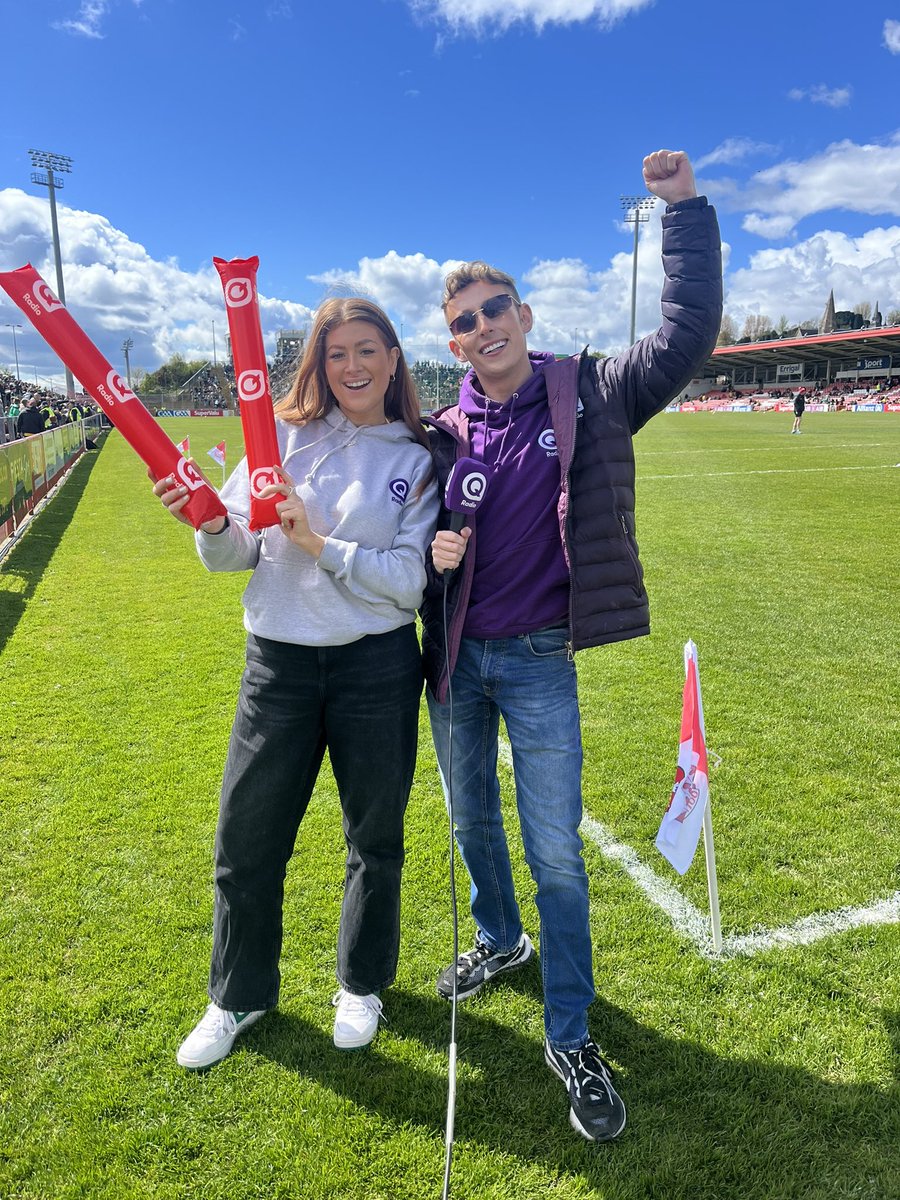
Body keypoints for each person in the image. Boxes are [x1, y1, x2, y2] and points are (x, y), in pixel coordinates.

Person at [421, 150, 722, 1144]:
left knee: (557, 855)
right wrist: (434, 550)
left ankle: (570, 1035)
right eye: (462, 319)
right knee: (473, 823)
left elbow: (684, 336)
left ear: (526, 313)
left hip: (541, 658)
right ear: (453, 341)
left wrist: (680, 213)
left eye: (493, 307)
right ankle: (498, 941)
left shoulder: (590, 390)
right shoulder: (440, 429)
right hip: (456, 663)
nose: (481, 327)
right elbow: (388, 524)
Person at [152, 297, 438, 1069]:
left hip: (375, 668)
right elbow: (239, 552)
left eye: (368, 350)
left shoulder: (414, 456)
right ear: (317, 360)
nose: (353, 366)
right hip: (276, 665)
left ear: (393, 358)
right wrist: (210, 524)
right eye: (337, 351)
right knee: (246, 842)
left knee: (374, 840)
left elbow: (409, 586)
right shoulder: (277, 436)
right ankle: (237, 994)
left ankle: (362, 983)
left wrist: (319, 542)